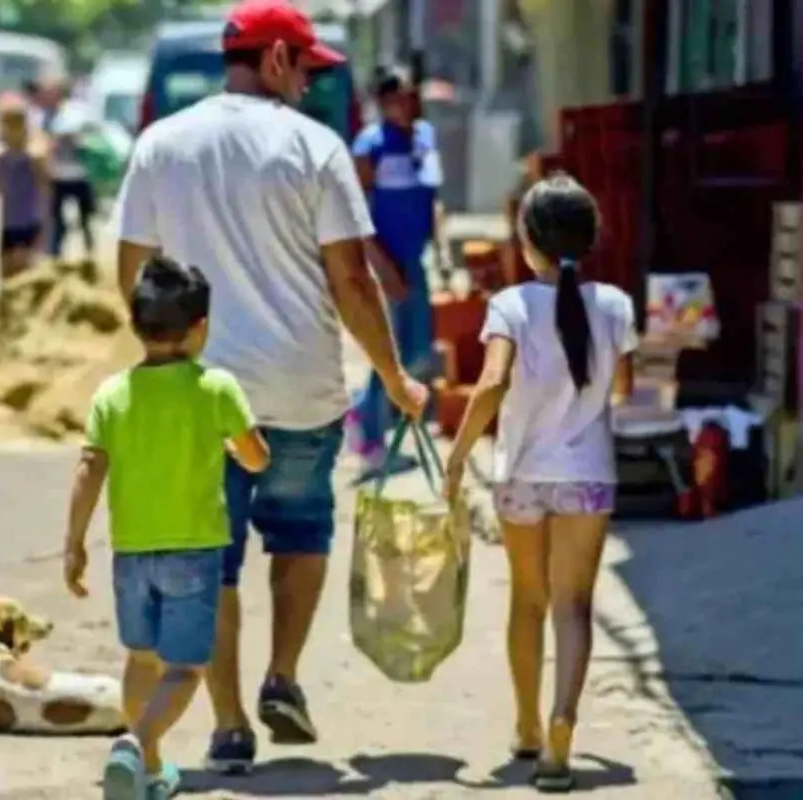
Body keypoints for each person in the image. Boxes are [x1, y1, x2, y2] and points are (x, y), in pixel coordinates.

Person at [112, 0, 429, 773]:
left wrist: (165, 364)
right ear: (279, 59)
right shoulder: (315, 149)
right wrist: (395, 377)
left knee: (211, 562)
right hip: (300, 388)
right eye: (306, 68)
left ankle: (226, 723)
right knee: (300, 533)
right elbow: (353, 282)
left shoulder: (161, 144)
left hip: (200, 395)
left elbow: (132, 272)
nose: (309, 86)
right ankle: (282, 677)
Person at [443, 174, 637, 794]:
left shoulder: (510, 305)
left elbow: (492, 383)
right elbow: (624, 390)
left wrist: (459, 456)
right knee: (574, 605)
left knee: (527, 600)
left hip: (523, 475)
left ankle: (526, 726)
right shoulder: (614, 305)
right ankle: (563, 723)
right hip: (587, 478)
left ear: (527, 242)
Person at [63, 255, 269, 800]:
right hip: (195, 553)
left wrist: (74, 544)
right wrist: (235, 446)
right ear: (200, 329)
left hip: (131, 553)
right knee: (186, 668)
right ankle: (135, 744)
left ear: (135, 325)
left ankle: (149, 772)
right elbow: (256, 459)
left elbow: (90, 468)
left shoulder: (112, 395)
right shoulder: (217, 387)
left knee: (142, 659)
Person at [347, 67, 451, 472]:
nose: (406, 105)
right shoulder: (369, 145)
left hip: (416, 258)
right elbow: (357, 215)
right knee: (387, 351)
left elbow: (433, 198)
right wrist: (381, 268)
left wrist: (441, 250)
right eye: (396, 98)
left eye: (410, 96)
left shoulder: (425, 138)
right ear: (382, 103)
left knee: (419, 352)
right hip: (385, 261)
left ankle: (366, 415)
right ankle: (370, 434)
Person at [0, 99, 49, 282]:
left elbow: (45, 192)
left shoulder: (34, 155)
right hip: (8, 225)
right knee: (6, 277)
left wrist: (44, 225)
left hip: (29, 223)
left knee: (26, 277)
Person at [44, 80, 97, 260]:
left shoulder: (73, 111)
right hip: (58, 176)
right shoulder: (47, 114)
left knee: (85, 220)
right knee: (57, 221)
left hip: (79, 174)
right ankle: (55, 256)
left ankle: (90, 256)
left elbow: (83, 134)